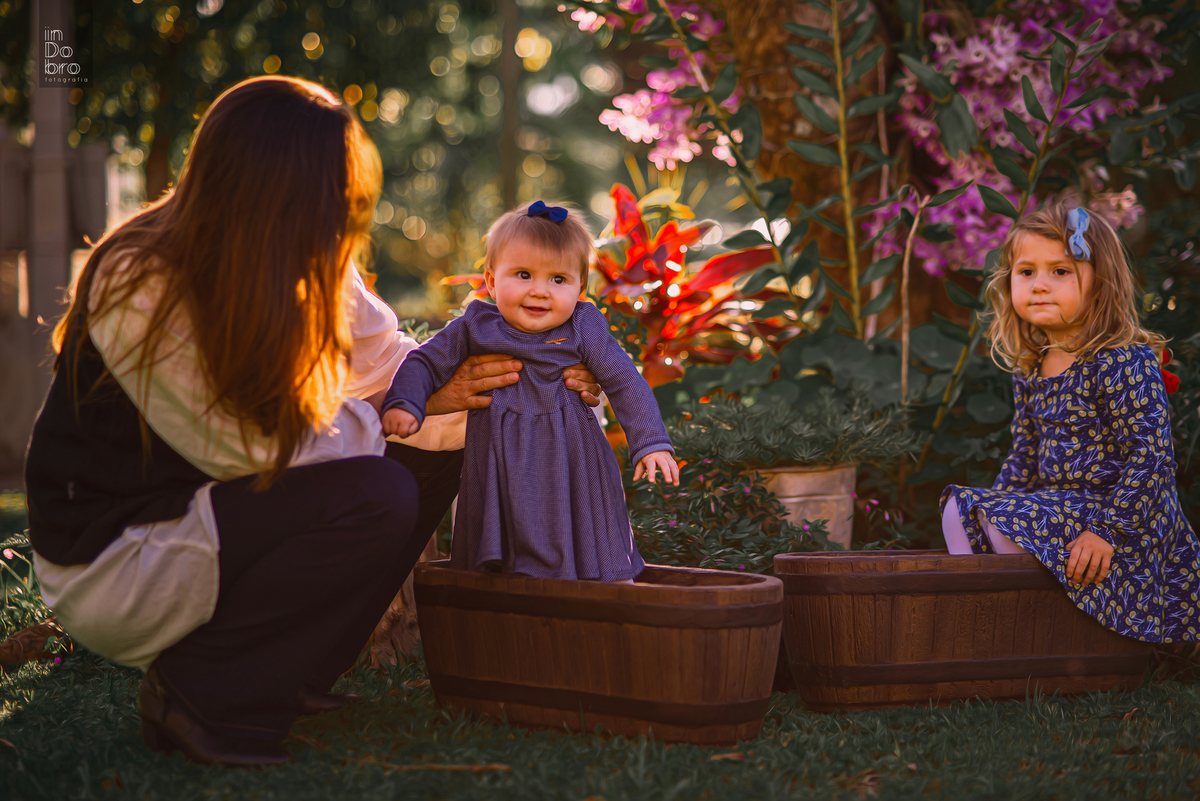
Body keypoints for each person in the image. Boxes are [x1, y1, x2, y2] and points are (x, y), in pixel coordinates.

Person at [23, 76, 601, 767]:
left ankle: (277, 679)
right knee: (378, 486)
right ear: (266, 183)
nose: (342, 205)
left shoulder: (301, 257)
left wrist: (544, 379)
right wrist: (401, 414)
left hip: (218, 515)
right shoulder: (141, 277)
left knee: (446, 439)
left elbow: (396, 367)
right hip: (118, 552)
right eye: (327, 185)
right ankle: (197, 689)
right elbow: (254, 447)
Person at [940, 203, 1199, 642]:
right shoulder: (1032, 366)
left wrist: (1106, 531)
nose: (1039, 285)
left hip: (1121, 519)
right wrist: (992, 508)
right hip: (1059, 509)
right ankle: (989, 622)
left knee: (999, 520)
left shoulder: (1121, 360)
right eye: (1026, 272)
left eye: (1060, 271)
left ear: (1101, 282)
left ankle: (1045, 632)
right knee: (960, 507)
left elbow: (1151, 457)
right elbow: (1023, 455)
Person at [382, 201, 679, 582]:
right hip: (500, 461)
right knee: (502, 568)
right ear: (491, 281)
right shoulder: (476, 326)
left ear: (580, 288)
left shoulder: (583, 326)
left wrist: (650, 441)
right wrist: (406, 402)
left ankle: (596, 602)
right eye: (523, 274)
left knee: (588, 551)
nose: (540, 291)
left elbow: (624, 380)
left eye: (558, 279)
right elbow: (425, 361)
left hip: (572, 458)